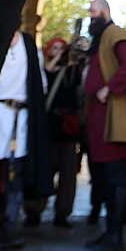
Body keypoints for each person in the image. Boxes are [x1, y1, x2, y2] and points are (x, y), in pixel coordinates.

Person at [81, 0, 126, 251]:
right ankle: (109, 232)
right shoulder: (102, 38)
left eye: (93, 12)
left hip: (112, 118)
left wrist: (109, 89)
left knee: (116, 179)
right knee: (104, 180)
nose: (90, 17)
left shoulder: (117, 34)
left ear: (104, 12)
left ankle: (116, 236)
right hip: (97, 118)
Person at [0, 30, 49, 250]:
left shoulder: (29, 46)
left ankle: (10, 227)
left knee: (16, 172)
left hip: (21, 119)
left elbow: (40, 83)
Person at [41, 38, 85, 228]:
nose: (59, 51)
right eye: (55, 48)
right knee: (44, 169)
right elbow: (49, 70)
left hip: (68, 128)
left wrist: (74, 53)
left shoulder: (70, 70)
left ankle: (62, 212)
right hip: (49, 127)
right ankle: (34, 210)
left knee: (68, 174)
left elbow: (78, 77)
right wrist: (60, 54)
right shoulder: (44, 70)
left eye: (61, 48)